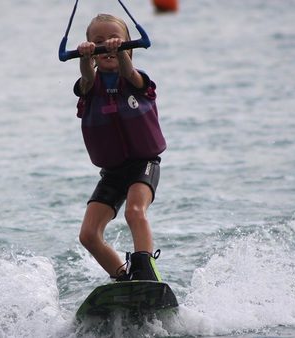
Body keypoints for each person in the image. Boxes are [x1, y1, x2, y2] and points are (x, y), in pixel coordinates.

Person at [73, 14, 167, 281]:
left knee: (134, 212)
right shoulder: (88, 86)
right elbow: (87, 80)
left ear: (128, 47)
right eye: (98, 42)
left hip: (143, 164)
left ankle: (146, 271)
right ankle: (123, 278)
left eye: (114, 41)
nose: (107, 46)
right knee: (88, 235)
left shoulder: (136, 80)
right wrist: (84, 57)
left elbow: (129, 72)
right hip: (112, 172)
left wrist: (121, 53)